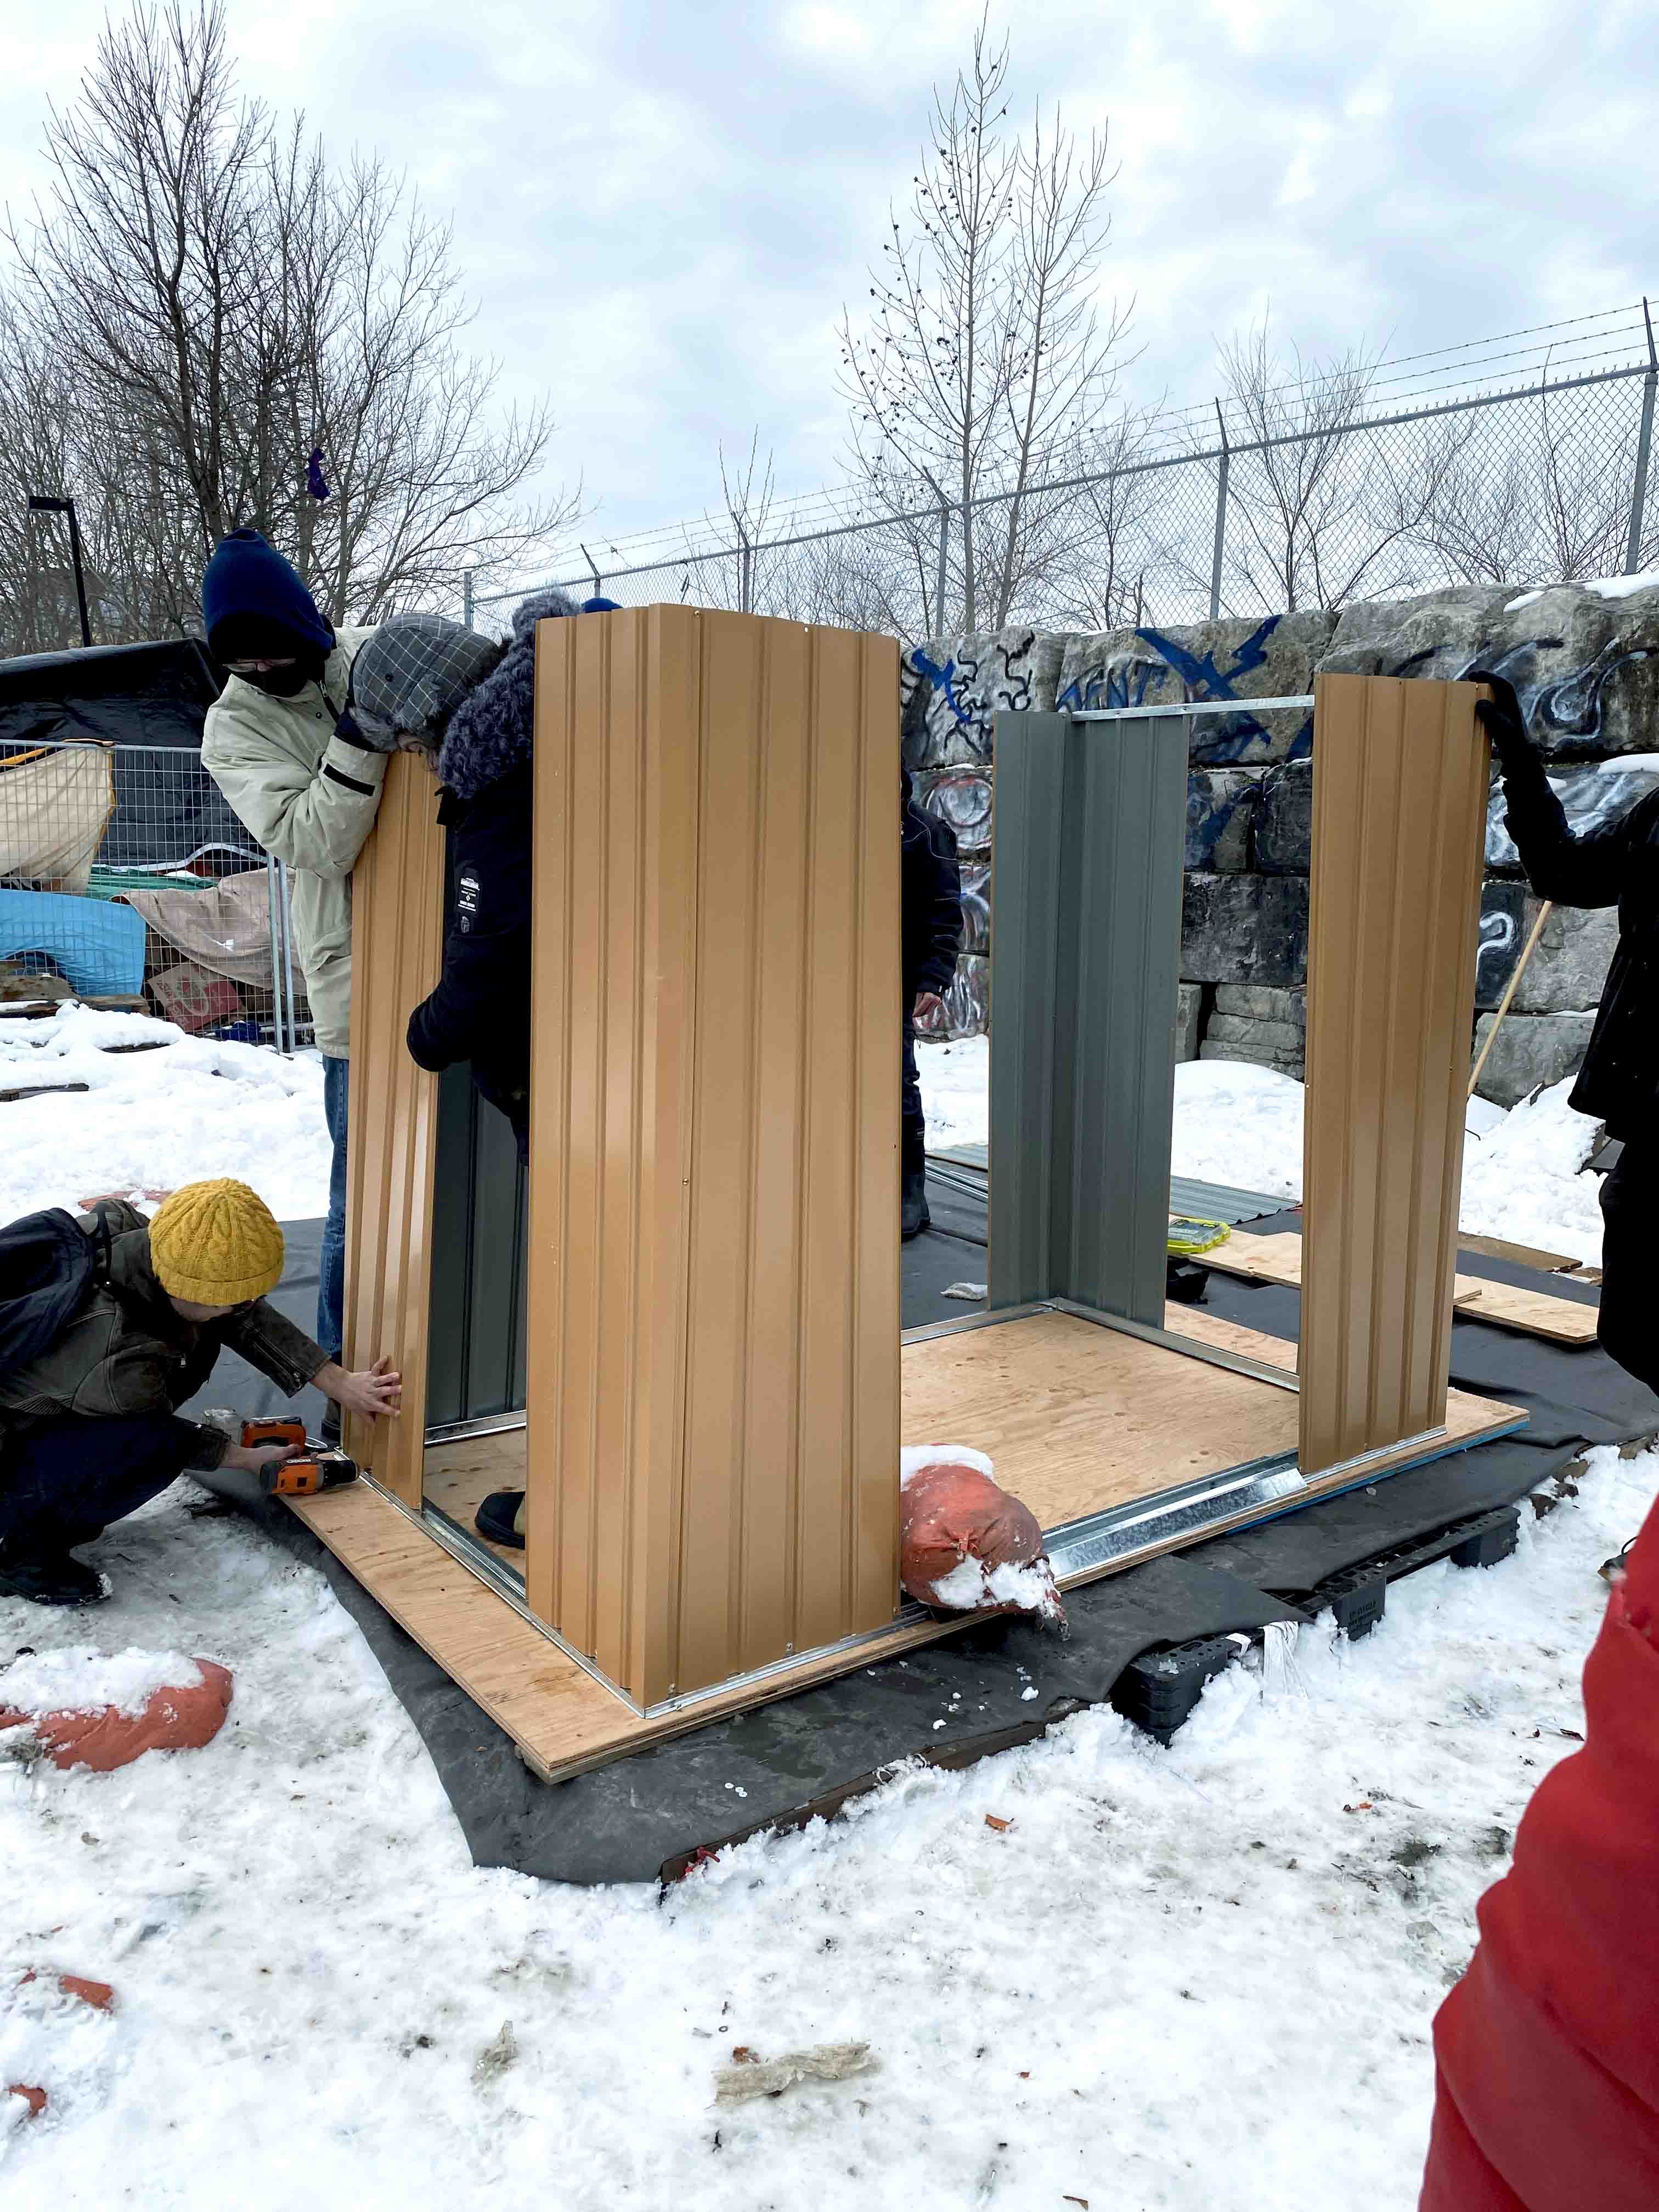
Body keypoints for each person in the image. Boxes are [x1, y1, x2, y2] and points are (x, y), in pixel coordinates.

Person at [0, 1179, 400, 1606]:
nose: (247, 1307)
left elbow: (231, 1304)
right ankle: (20, 1554)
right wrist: (246, 1459)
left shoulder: (137, 1236)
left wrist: (337, 1381)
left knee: (205, 1326)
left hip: (53, 1392)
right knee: (141, 1448)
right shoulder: (118, 1354)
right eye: (236, 1300)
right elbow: (163, 1437)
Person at [199, 529, 386, 1414]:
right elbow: (310, 838)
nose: (264, 666)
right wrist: (360, 736)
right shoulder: (233, 726)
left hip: (463, 961)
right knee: (363, 1192)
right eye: (243, 657)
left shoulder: (371, 658)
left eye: (275, 646)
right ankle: (345, 1381)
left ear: (309, 624)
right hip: (358, 979)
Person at [1476, 673, 1659, 1571]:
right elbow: (1564, 873)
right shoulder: (1658, 816)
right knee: (1633, 1322)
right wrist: (1518, 759)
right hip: (1653, 1116)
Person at [902, 762, 964, 1240]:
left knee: (896, 1082)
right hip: (838, 977)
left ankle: (911, 1193)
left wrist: (934, 978)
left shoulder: (924, 832)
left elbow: (945, 911)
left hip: (895, 978)